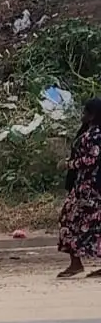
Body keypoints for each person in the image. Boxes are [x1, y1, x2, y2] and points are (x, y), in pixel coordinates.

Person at [57, 97, 101, 278]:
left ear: (93, 114)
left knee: (69, 221)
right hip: (85, 186)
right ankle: (75, 263)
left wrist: (69, 164)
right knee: (84, 223)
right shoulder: (90, 131)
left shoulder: (96, 134)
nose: (83, 115)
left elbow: (92, 159)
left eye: (86, 112)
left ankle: (76, 264)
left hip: (91, 188)